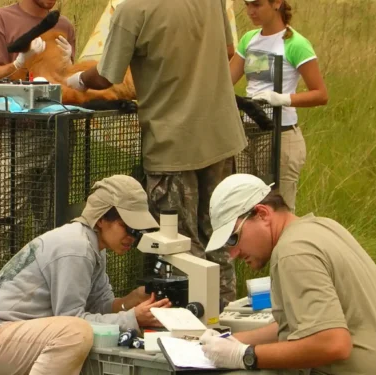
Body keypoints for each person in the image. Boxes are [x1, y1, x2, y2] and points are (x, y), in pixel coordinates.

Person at [64, 0, 247, 309]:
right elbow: (229, 50)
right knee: (219, 238)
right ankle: (224, 321)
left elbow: (107, 76)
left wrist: (75, 80)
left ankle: (192, 330)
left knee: (178, 250)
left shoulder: (132, 10)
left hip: (172, 145)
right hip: (221, 136)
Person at [198, 173, 376, 374]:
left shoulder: (292, 252)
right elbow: (304, 324)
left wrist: (245, 355)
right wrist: (231, 341)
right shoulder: (322, 227)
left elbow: (332, 343)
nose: (234, 253)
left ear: (262, 214)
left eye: (233, 238)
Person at [0, 175, 172, 375]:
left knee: (76, 331)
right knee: (75, 333)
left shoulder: (91, 245)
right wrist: (132, 318)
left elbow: (99, 305)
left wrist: (131, 301)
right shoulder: (76, 248)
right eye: (128, 227)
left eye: (138, 231)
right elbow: (73, 319)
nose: (132, 238)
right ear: (100, 219)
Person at [0, 0, 77, 284]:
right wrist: (20, 63)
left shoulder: (64, 26)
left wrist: (71, 66)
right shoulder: (2, 20)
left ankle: (45, 296)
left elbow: (68, 83)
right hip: (16, 133)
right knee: (7, 224)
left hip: (57, 132)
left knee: (53, 224)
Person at [230, 0, 328, 212]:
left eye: (256, 5)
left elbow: (320, 94)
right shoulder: (249, 40)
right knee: (247, 207)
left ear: (276, 4)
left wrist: (283, 99)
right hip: (247, 134)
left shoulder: (295, 43)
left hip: (280, 135)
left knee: (277, 210)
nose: (250, 12)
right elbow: (225, 81)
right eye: (247, 5)